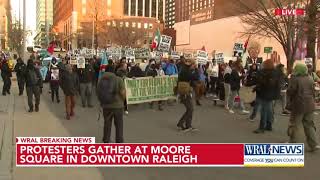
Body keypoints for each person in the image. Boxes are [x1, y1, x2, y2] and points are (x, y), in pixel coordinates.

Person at [287, 63, 319, 152]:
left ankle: (293, 143)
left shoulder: (295, 78)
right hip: (310, 104)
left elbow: (291, 91)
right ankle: (314, 144)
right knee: (309, 125)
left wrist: (289, 97)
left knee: (295, 124)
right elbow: (313, 90)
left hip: (298, 104)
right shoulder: (310, 78)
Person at [97, 71, 126, 143]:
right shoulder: (119, 79)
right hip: (118, 106)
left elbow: (98, 92)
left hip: (106, 106)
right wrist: (123, 101)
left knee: (107, 124)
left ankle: (106, 140)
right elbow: (122, 92)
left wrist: (102, 102)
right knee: (119, 125)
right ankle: (119, 141)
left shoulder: (101, 80)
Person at [253, 59, 280, 133]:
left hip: (266, 93)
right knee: (269, 110)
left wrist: (261, 81)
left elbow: (268, 84)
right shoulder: (275, 72)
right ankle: (269, 125)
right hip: (271, 94)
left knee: (264, 110)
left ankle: (262, 127)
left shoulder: (267, 73)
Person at [176, 59, 198, 132]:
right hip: (185, 92)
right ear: (191, 65)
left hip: (186, 91)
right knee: (190, 109)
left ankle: (188, 125)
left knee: (190, 109)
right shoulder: (186, 71)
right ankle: (181, 123)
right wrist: (196, 69)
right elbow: (195, 77)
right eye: (193, 65)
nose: (194, 67)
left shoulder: (184, 70)